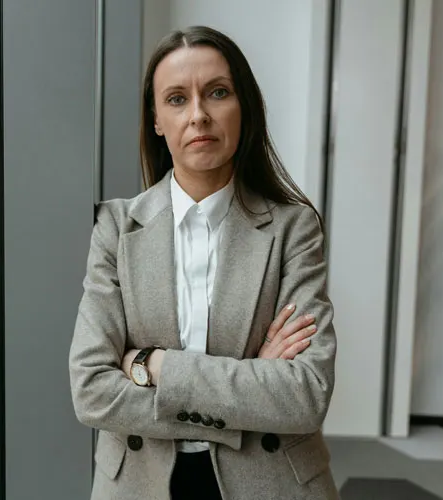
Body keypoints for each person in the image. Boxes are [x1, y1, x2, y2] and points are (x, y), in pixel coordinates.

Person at [69, 25, 338, 500]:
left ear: (243, 107)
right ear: (156, 120)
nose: (198, 115)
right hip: (139, 482)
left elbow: (305, 393)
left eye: (217, 92)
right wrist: (251, 388)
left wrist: (154, 365)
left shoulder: (294, 229)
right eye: (176, 99)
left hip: (270, 480)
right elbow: (91, 390)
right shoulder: (116, 229)